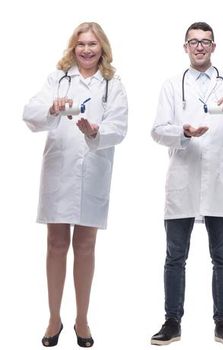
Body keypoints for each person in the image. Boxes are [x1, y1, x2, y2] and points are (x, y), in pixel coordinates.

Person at [147, 22, 223, 348]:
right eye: (193, 42)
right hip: (182, 181)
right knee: (174, 257)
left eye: (205, 42)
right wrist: (183, 132)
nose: (199, 47)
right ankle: (172, 322)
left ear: (214, 46)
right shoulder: (172, 86)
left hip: (220, 183)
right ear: (185, 47)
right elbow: (158, 131)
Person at [24, 22, 128, 349]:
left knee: (85, 246)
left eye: (92, 44)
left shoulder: (113, 83)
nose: (86, 50)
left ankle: (82, 318)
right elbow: (30, 113)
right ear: (73, 47)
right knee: (56, 244)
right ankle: (54, 317)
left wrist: (96, 131)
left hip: (94, 169)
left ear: (102, 48)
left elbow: (121, 126)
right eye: (81, 44)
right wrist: (51, 109)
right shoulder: (58, 78)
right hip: (59, 168)